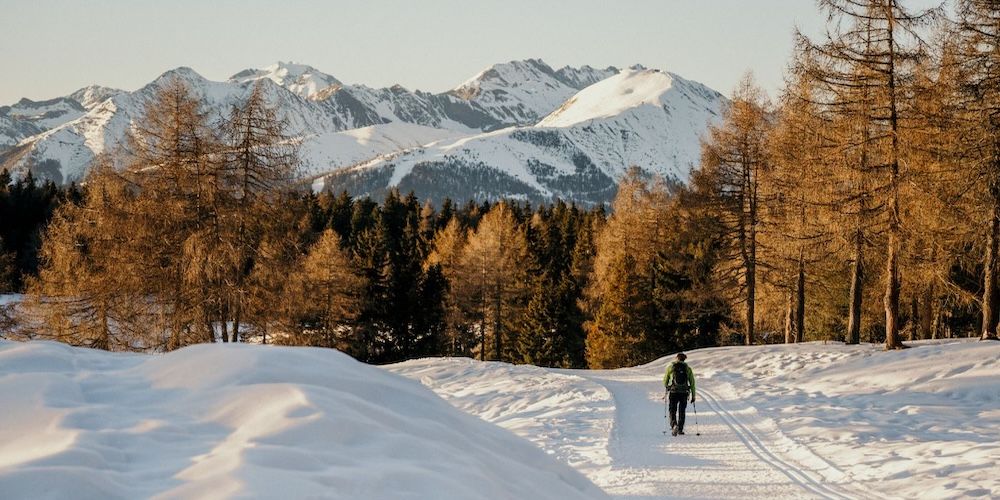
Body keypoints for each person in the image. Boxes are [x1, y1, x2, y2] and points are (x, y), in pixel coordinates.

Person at [663, 352, 696, 436]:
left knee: (672, 410)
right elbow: (692, 383)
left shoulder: (671, 367)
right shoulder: (688, 368)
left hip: (673, 391)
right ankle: (680, 429)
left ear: (676, 358)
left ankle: (674, 425)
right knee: (682, 410)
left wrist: (667, 386)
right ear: (684, 359)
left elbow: (665, 380)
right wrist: (693, 396)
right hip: (684, 392)